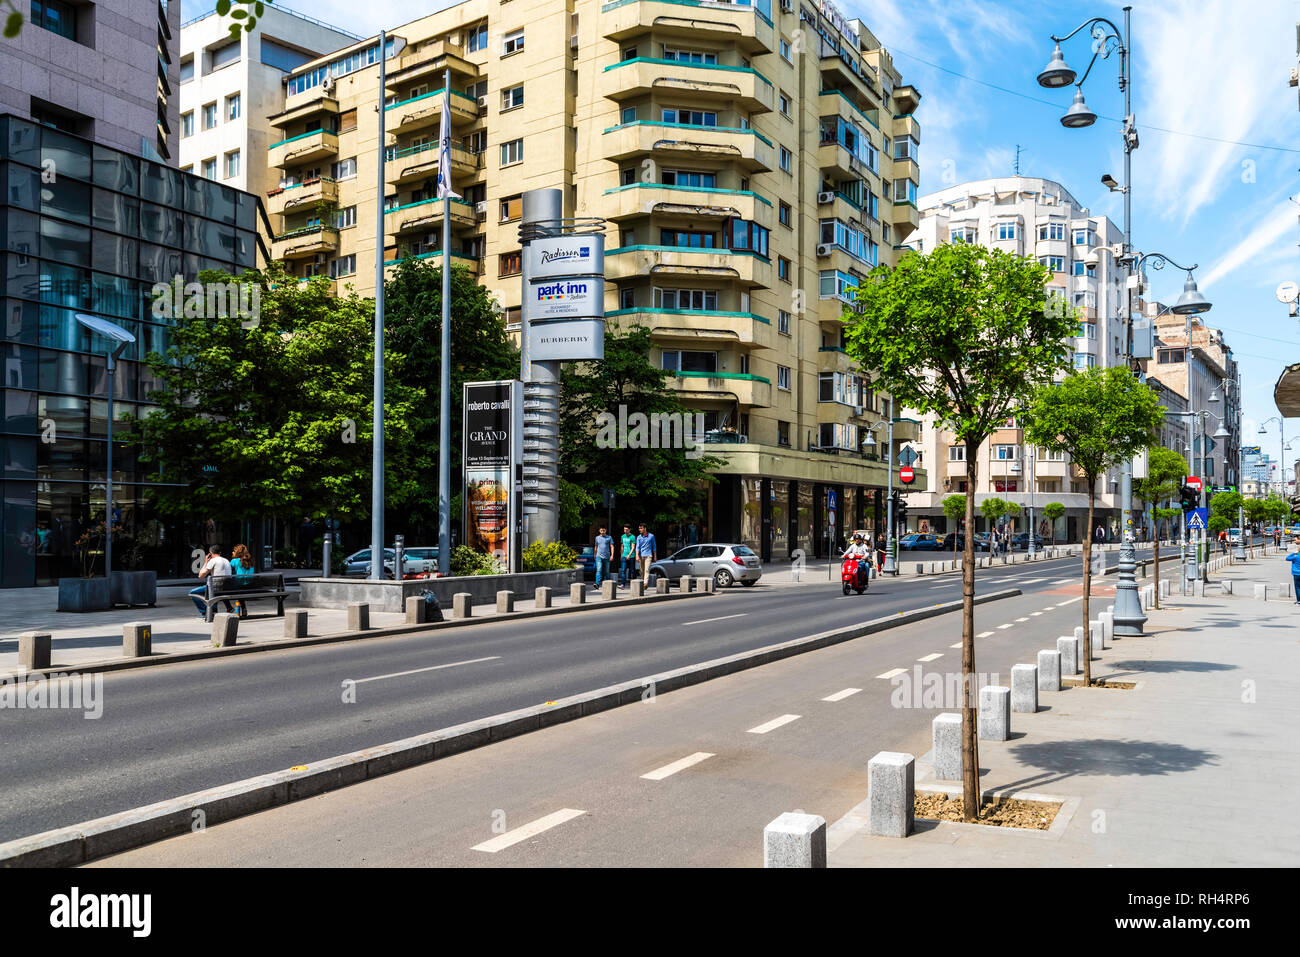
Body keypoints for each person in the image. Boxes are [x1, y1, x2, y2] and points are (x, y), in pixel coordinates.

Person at [190, 545, 232, 619]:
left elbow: (200, 576)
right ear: (220, 552)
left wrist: (206, 562)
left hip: (215, 588)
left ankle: (205, 612)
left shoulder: (213, 560)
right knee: (213, 589)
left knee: (193, 592)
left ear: (210, 553)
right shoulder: (226, 560)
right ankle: (213, 612)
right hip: (226, 588)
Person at [229, 544, 255, 616]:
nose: (232, 552)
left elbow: (228, 568)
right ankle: (243, 609)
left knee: (235, 587)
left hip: (240, 586)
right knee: (240, 588)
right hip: (251, 586)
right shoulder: (251, 560)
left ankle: (231, 608)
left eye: (234, 551)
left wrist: (233, 556)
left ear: (237, 552)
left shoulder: (235, 561)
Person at [1286, 538, 1300, 604]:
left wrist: (1294, 553)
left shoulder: (1296, 557)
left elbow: (1287, 558)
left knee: (1297, 587)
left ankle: (1299, 601)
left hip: (1296, 573)